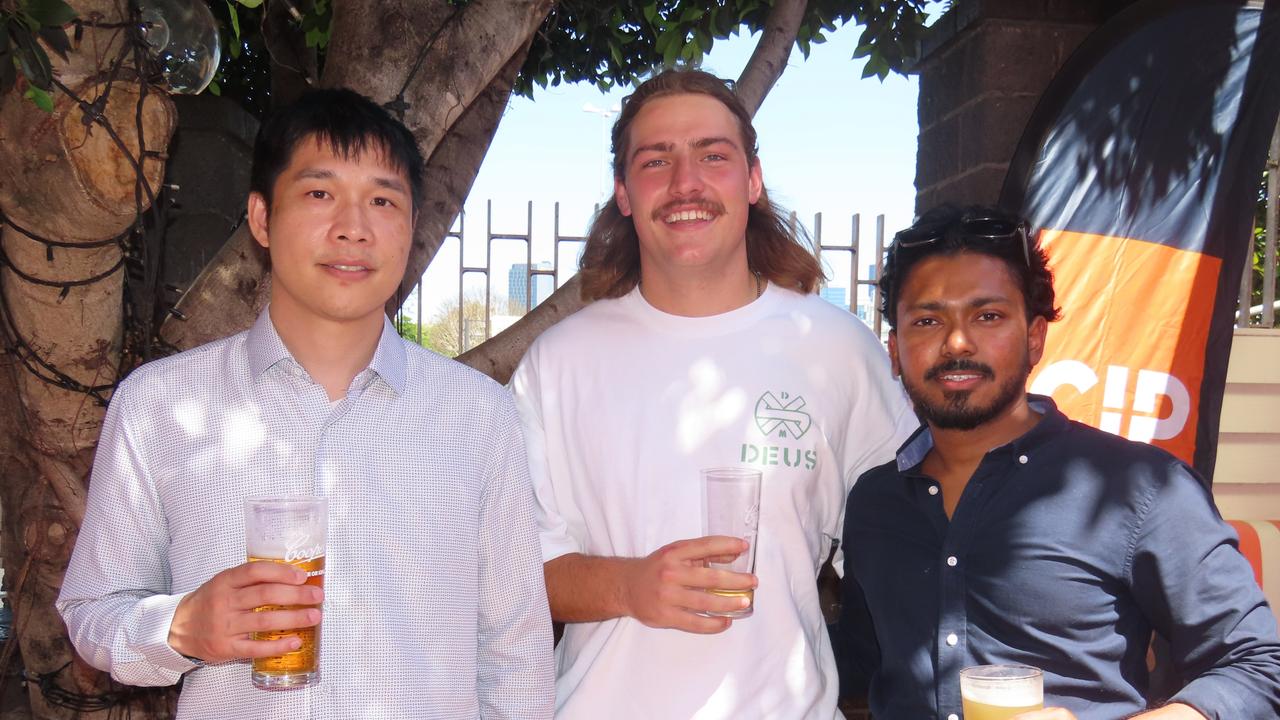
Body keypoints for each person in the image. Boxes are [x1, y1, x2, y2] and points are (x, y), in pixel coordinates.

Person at [57, 88, 555, 719]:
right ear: (262, 219)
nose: (354, 226)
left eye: (382, 200)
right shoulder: (159, 405)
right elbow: (92, 610)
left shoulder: (479, 416)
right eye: (320, 194)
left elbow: (515, 650)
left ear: (411, 227)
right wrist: (180, 627)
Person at [508, 68, 918, 718]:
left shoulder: (835, 348)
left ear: (752, 180)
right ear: (623, 192)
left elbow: (906, 541)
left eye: (712, 156)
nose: (685, 183)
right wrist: (632, 584)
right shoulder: (559, 363)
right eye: (655, 160)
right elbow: (521, 574)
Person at [835, 204, 1280, 719]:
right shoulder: (875, 500)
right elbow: (861, 663)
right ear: (894, 350)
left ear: (1035, 338)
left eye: (988, 316)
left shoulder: (1141, 488)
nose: (956, 342)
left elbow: (1256, 666)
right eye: (927, 320)